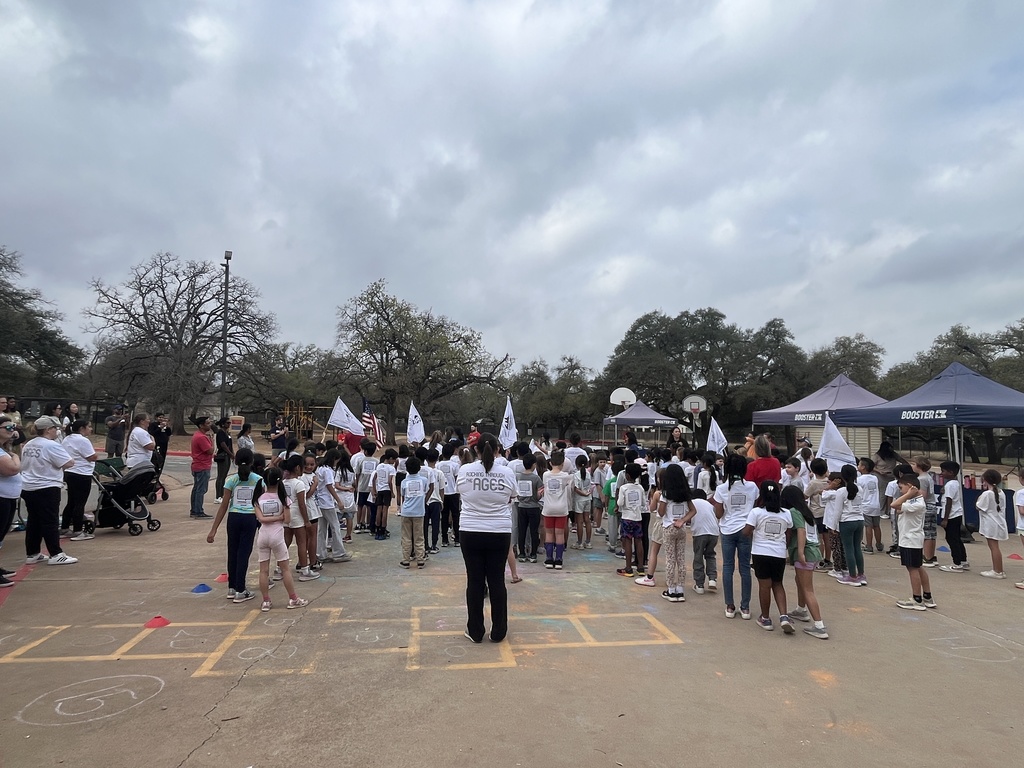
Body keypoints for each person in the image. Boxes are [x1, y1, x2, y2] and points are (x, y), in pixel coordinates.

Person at [457, 432, 516, 643]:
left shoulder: (465, 470)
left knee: (474, 581)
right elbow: (512, 496)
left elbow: (462, 493)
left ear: (476, 449)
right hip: (499, 531)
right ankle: (499, 631)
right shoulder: (507, 472)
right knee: (497, 580)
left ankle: (475, 631)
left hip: (470, 530)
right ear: (498, 450)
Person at [207, 449, 264, 602]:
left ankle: (232, 587)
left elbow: (224, 505)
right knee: (243, 554)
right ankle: (240, 590)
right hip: (250, 518)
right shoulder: (259, 480)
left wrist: (213, 529)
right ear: (252, 462)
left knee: (232, 552)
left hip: (234, 518)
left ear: (235, 462)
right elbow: (261, 503)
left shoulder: (231, 480)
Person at [21, 416, 77, 565]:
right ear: (47, 430)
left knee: (34, 520)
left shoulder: (29, 444)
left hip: (28, 486)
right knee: (50, 521)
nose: (57, 431)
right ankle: (56, 553)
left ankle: (32, 553)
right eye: (55, 428)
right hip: (46, 486)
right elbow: (68, 463)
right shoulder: (51, 445)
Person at [253, 467, 309, 611]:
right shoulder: (283, 499)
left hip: (263, 535)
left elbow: (261, 519)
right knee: (285, 569)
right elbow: (287, 519)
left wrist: (268, 518)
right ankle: (293, 599)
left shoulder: (259, 499)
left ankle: (266, 601)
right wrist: (278, 517)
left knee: (263, 570)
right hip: (277, 535)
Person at [743, 480, 794, 632]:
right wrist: (783, 546)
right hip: (779, 553)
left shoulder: (756, 512)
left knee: (764, 586)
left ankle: (765, 618)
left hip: (761, 552)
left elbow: (746, 532)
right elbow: (788, 534)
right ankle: (784, 616)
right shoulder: (786, 513)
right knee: (778, 584)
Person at [713, 453, 758, 620]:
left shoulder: (722, 488)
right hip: (746, 528)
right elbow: (754, 506)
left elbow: (719, 514)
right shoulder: (752, 486)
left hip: (727, 529)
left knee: (728, 567)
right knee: (745, 568)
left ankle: (730, 605)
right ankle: (745, 607)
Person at [781, 486, 828, 638]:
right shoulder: (806, 511)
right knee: (799, 581)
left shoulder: (794, 512)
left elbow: (801, 531)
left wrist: (800, 553)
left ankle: (819, 626)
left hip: (805, 553)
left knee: (808, 589)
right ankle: (801, 610)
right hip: (813, 552)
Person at [892, 475, 936, 610]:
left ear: (910, 486)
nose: (900, 491)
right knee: (918, 566)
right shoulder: (912, 501)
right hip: (911, 538)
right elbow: (898, 509)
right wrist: (908, 496)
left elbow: (894, 505)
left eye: (901, 488)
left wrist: (908, 494)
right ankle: (927, 596)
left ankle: (917, 599)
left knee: (912, 568)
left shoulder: (916, 503)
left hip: (910, 539)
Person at [657, 463, 697, 602]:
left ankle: (671, 589)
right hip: (681, 528)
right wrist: (683, 520)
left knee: (670, 559)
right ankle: (680, 589)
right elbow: (693, 510)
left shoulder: (665, 494)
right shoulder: (686, 494)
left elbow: (661, 513)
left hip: (669, 527)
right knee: (681, 559)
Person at [61, 419, 98, 540]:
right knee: (80, 503)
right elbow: (92, 456)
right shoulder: (83, 440)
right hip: (82, 473)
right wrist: (95, 456)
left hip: (70, 472)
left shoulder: (67, 439)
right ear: (82, 428)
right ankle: (78, 530)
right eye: (89, 427)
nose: (91, 429)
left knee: (71, 501)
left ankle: (65, 527)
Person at [0, 415, 23, 586]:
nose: (12, 430)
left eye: (12, 427)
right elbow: (12, 469)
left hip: (8, 497)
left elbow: (20, 437)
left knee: (1, 535)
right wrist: (14, 456)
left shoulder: (4, 450)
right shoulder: (5, 454)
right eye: (8, 428)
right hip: (1, 498)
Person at [541, 450, 574, 569]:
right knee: (559, 534)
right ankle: (559, 560)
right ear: (563, 463)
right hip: (561, 508)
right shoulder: (565, 476)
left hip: (548, 508)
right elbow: (570, 485)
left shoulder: (545, 475)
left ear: (550, 462)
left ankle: (549, 559)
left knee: (549, 533)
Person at [615, 463, 647, 578]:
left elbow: (620, 503)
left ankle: (628, 568)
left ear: (627, 476)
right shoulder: (640, 488)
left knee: (627, 541)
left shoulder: (624, 488)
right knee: (639, 541)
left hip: (627, 517)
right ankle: (640, 567)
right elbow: (643, 503)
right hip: (637, 517)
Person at [937, 461, 969, 572]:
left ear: (951, 472)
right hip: (956, 514)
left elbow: (949, 502)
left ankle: (957, 563)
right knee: (956, 538)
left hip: (951, 515)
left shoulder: (950, 485)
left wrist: (945, 519)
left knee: (951, 539)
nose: (941, 473)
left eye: (943, 471)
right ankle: (963, 560)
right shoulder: (954, 483)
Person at [399, 457, 431, 568]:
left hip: (406, 512)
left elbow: (403, 497)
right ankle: (420, 560)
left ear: (407, 469)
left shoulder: (404, 482)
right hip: (419, 512)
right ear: (419, 468)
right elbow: (427, 491)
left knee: (406, 537)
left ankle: (406, 560)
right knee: (419, 536)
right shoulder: (424, 480)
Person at [977, 469, 1008, 579]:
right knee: (995, 547)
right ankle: (998, 569)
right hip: (999, 522)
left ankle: (998, 571)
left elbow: (979, 506)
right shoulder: (1001, 492)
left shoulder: (987, 494)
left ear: (985, 480)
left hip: (991, 524)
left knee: (994, 547)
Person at [689, 488, 719, 595]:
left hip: (700, 532)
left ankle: (699, 584)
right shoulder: (709, 505)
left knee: (698, 557)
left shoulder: (692, 503)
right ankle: (712, 579)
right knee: (710, 555)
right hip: (714, 532)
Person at [516, 454, 542, 563]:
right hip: (534, 507)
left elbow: (516, 492)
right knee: (534, 531)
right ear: (534, 465)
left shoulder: (518, 477)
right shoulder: (536, 478)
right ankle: (533, 554)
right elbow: (539, 495)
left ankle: (522, 553)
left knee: (521, 531)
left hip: (521, 506)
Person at [190, 416, 215, 519]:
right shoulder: (201, 437)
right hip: (202, 466)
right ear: (201, 425)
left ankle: (194, 510)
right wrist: (212, 440)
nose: (210, 425)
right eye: (207, 423)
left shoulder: (197, 435)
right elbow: (210, 451)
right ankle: (198, 511)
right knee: (201, 490)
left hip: (197, 465)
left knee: (196, 489)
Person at [857, 458, 882, 554]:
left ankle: (869, 546)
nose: (858, 466)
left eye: (859, 464)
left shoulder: (859, 480)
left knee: (868, 526)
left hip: (866, 505)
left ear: (863, 467)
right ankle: (879, 544)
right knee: (876, 526)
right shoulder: (874, 478)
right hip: (876, 505)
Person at [872, 441, 904, 513]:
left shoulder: (893, 455)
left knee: (890, 494)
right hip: (881, 476)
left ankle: (889, 510)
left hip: (891, 476)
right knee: (882, 494)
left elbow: (902, 460)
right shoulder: (877, 456)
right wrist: (879, 471)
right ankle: (881, 511)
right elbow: (871, 466)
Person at [213, 417, 234, 502]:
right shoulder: (220, 432)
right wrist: (230, 453)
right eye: (227, 423)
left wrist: (232, 454)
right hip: (223, 455)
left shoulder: (227, 433)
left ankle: (222, 494)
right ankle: (218, 496)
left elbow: (230, 444)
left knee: (224, 476)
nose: (229, 424)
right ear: (222, 424)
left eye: (230, 423)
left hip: (227, 456)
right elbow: (223, 445)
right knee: (220, 476)